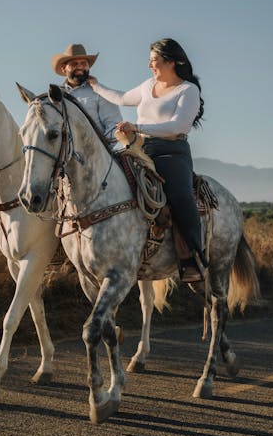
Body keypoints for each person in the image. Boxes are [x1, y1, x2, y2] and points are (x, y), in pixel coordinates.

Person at [88, 38, 206, 282]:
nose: (150, 65)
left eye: (154, 60)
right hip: (138, 147)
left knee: (180, 196)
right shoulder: (147, 86)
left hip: (171, 151)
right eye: (150, 60)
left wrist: (138, 126)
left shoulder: (188, 90)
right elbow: (121, 98)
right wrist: (96, 86)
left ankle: (192, 256)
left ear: (171, 62)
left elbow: (179, 125)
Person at [51, 43, 122, 143]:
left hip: (96, 154)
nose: (80, 67)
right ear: (63, 68)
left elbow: (115, 127)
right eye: (74, 64)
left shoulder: (101, 92)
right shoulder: (55, 95)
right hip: (64, 154)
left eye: (84, 63)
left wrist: (99, 150)